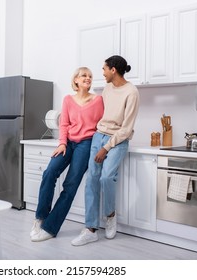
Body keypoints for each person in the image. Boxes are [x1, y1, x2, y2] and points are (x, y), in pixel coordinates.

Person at [71, 55, 140, 246]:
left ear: (113, 70)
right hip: (98, 136)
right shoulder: (108, 89)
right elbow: (101, 114)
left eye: (104, 69)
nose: (101, 73)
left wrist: (106, 147)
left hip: (118, 140)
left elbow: (126, 129)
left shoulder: (132, 92)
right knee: (92, 179)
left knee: (106, 177)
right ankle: (90, 229)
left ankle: (110, 215)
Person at [30, 67, 104, 242]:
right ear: (76, 80)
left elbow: (102, 126)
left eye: (90, 76)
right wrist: (62, 143)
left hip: (86, 144)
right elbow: (64, 124)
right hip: (68, 143)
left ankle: (50, 228)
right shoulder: (68, 100)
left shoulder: (98, 100)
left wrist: (104, 147)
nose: (88, 78)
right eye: (84, 75)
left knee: (70, 185)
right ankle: (40, 218)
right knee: (49, 173)